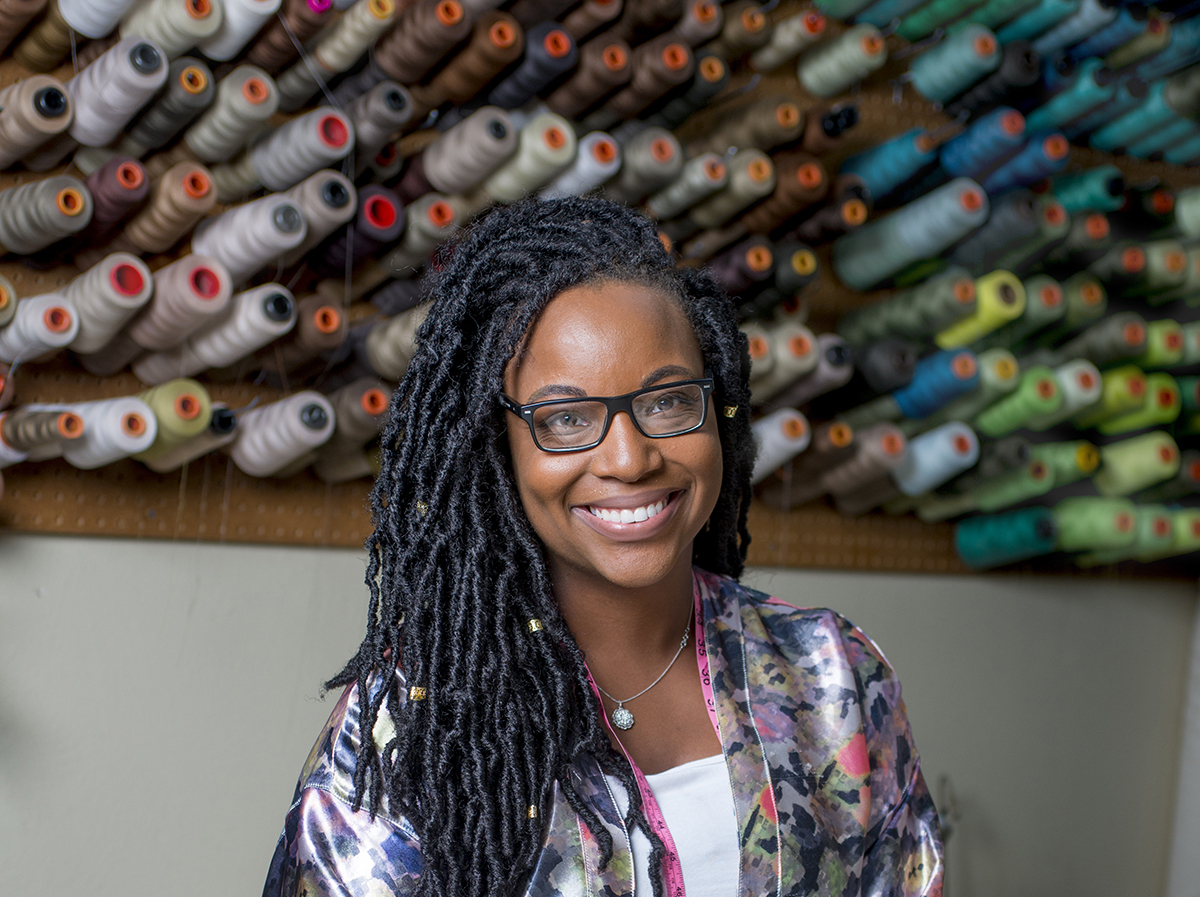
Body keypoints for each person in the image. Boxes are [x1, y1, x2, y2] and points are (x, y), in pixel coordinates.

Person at [263, 197, 943, 897]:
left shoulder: (832, 675)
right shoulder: (413, 719)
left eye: (668, 401)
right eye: (564, 417)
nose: (629, 458)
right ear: (498, 448)